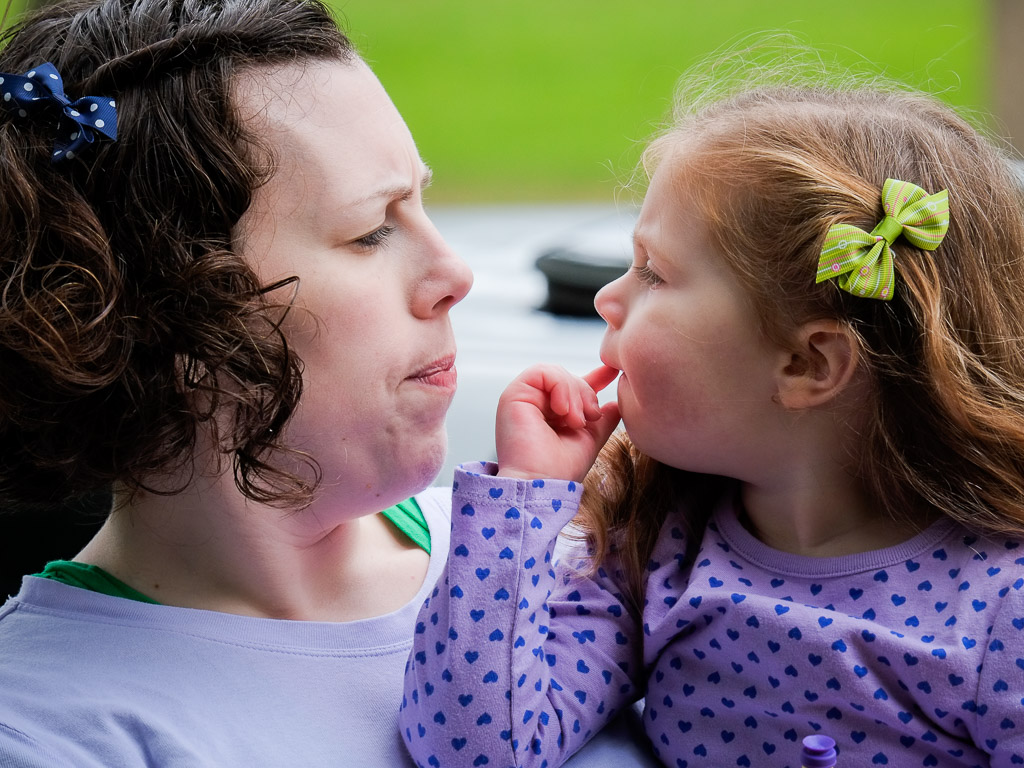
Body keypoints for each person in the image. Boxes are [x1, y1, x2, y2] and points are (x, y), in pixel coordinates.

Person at [400, 77, 1024, 767]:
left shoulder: (1002, 607)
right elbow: (475, 748)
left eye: (653, 273)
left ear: (808, 364)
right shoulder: (658, 543)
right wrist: (523, 495)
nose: (607, 297)